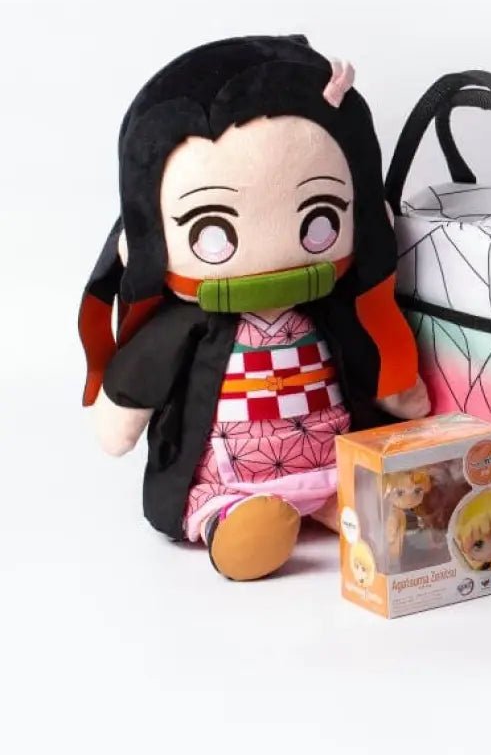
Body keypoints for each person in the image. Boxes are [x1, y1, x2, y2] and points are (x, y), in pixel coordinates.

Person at [78, 35, 429, 582]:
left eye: (320, 217)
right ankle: (239, 522)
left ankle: (338, 503)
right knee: (237, 512)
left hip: (332, 460)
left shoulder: (332, 310)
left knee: (371, 492)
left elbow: (370, 358)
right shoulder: (186, 325)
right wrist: (119, 415)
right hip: (230, 478)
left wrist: (403, 398)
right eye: (211, 230)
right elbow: (138, 380)